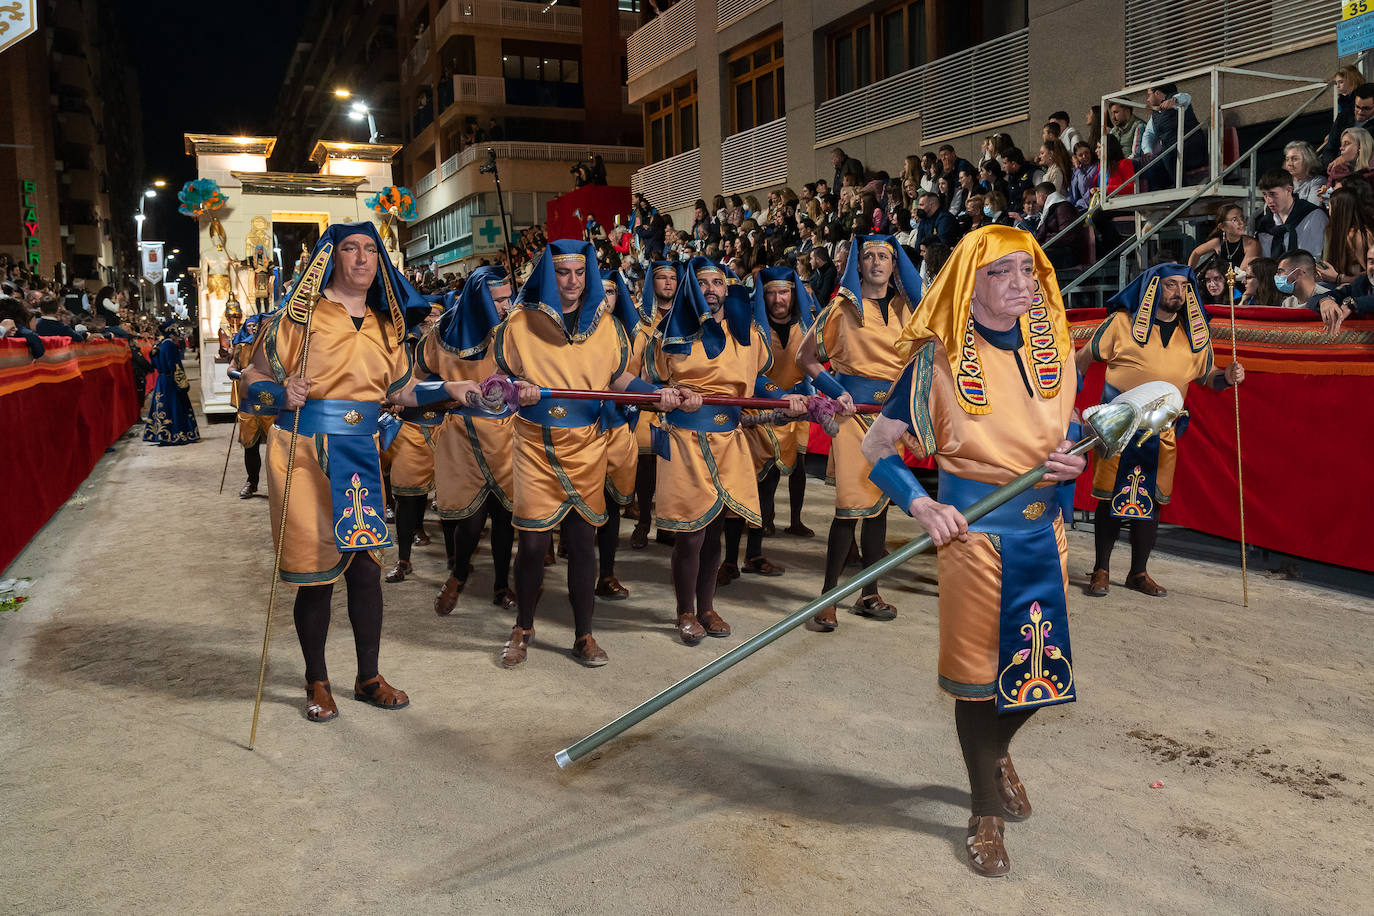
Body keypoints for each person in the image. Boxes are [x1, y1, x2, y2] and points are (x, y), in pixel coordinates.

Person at [863, 225, 1084, 877]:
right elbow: (877, 448)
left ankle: (994, 754)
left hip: (1045, 532)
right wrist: (922, 503)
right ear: (970, 283)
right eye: (1003, 273)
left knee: (1038, 678)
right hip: (974, 537)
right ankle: (984, 810)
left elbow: (1066, 424)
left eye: (1029, 270)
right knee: (978, 681)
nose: (1022, 284)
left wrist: (1070, 455)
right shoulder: (936, 359)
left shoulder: (1057, 347)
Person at [240, 221, 459, 722]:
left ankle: (367, 677)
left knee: (366, 570)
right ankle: (316, 680)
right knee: (315, 576)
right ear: (330, 258)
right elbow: (253, 376)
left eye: (369, 250)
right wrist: (278, 393)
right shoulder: (299, 317)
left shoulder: (389, 325)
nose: (362, 259)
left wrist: (454, 390)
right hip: (304, 452)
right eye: (349, 249)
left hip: (360, 453)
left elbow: (401, 392)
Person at [495, 241, 683, 667]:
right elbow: (498, 381)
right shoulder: (519, 322)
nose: (573, 282)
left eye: (580, 273)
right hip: (535, 444)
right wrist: (514, 387)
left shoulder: (608, 327)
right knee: (532, 545)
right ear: (549, 275)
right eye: (563, 273)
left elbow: (619, 379)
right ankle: (523, 627)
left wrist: (657, 394)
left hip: (587, 443)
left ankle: (584, 634)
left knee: (583, 544)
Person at [648, 257, 797, 643]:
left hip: (730, 440)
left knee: (716, 531)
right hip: (685, 441)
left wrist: (787, 399)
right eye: (703, 282)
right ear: (691, 288)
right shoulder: (669, 332)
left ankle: (707, 607)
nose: (711, 289)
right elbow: (646, 385)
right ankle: (684, 611)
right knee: (691, 534)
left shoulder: (746, 334)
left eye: (718, 282)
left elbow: (759, 381)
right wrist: (669, 396)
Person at [1078, 264, 1242, 599]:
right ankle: (1101, 570)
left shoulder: (1195, 336)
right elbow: (1081, 359)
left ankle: (1138, 572)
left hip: (1161, 433)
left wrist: (1228, 376)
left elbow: (1207, 377)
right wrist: (1069, 404)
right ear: (1152, 288)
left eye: (1184, 286)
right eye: (1170, 285)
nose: (1178, 293)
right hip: (1117, 428)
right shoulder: (1121, 325)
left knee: (1150, 502)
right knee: (1110, 499)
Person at [799, 234, 921, 629]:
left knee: (880, 508)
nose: (876, 262)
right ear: (857, 264)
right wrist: (837, 391)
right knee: (849, 507)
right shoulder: (840, 309)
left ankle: (869, 593)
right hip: (853, 421)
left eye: (884, 255)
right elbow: (806, 357)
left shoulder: (908, 310)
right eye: (868, 256)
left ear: (894, 263)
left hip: (892, 418)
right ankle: (827, 598)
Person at [418, 266, 519, 615]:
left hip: (506, 432)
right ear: (478, 299)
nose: (507, 305)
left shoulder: (512, 331)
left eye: (509, 297)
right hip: (462, 435)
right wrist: (447, 396)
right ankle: (458, 575)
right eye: (499, 299)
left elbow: (530, 374)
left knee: (506, 515)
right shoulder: (443, 331)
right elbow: (419, 379)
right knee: (470, 517)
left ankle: (501, 584)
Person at [721, 265, 818, 583]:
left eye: (784, 292)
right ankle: (729, 560)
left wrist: (812, 397)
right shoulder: (751, 328)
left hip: (788, 421)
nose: (778, 298)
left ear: (794, 294)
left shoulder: (806, 328)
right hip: (755, 418)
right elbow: (752, 371)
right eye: (772, 292)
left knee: (767, 491)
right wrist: (783, 396)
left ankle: (754, 554)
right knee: (741, 490)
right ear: (763, 296)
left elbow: (809, 370)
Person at [589, 272, 642, 599]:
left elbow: (634, 377)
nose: (606, 297)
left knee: (610, 506)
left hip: (618, 424)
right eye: (601, 291)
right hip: (580, 429)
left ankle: (606, 573)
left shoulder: (631, 333)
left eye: (611, 291)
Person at [629, 261, 680, 549]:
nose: (668, 283)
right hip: (645, 397)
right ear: (652, 283)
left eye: (673, 278)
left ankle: (667, 523)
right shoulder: (638, 320)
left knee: (672, 466)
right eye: (662, 277)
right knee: (646, 463)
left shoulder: (685, 316)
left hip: (677, 399)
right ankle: (644, 522)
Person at [230, 309, 277, 498]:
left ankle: (277, 484)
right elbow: (232, 367)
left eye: (255, 326)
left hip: (269, 399)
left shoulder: (271, 346)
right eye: (249, 326)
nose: (252, 329)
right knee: (250, 445)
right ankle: (252, 482)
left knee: (276, 444)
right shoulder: (241, 347)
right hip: (248, 399)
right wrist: (238, 374)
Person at [1134, 83, 1207, 190]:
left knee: (1167, 153)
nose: (1147, 99)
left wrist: (1174, 100)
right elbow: (1148, 134)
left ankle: (1182, 189)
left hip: (1193, 149)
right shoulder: (1156, 113)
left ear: (1157, 93)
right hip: (1173, 152)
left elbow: (1186, 97)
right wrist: (1147, 151)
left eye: (1149, 95)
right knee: (1150, 168)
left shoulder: (1178, 102)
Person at [142, 322, 199, 446]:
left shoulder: (159, 345)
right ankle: (177, 433)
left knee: (162, 407)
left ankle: (162, 434)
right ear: (171, 332)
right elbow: (175, 366)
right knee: (175, 406)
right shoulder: (170, 345)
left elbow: (153, 364)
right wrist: (182, 382)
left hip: (161, 380)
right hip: (171, 380)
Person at [1254, 168, 1328, 260]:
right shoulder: (1265, 225)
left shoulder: (1313, 216)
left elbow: (1318, 258)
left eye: (1273, 194)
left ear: (1289, 190)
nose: (1268, 200)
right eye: (1265, 195)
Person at [1309, 239, 1374, 332]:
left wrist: (1353, 303)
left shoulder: (1354, 301)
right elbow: (1313, 300)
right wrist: (1325, 301)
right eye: (1371, 262)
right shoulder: (1362, 283)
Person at [1317, 187, 1374, 286]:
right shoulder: (1334, 231)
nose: (1329, 212)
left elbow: (1370, 274)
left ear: (1338, 210)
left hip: (1356, 287)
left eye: (1329, 207)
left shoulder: (1357, 235)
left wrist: (1339, 278)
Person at [1187, 204, 1260, 271]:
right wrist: (1189, 275)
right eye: (1234, 220)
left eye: (1242, 218)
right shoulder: (1217, 242)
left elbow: (1241, 274)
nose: (1241, 223)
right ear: (1222, 226)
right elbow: (1196, 253)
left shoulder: (1252, 244)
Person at [1282, 141, 1325, 206]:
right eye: (1287, 159)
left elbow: (1311, 209)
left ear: (1308, 160)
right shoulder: (1282, 181)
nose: (1289, 164)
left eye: (1295, 159)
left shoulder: (1317, 181)